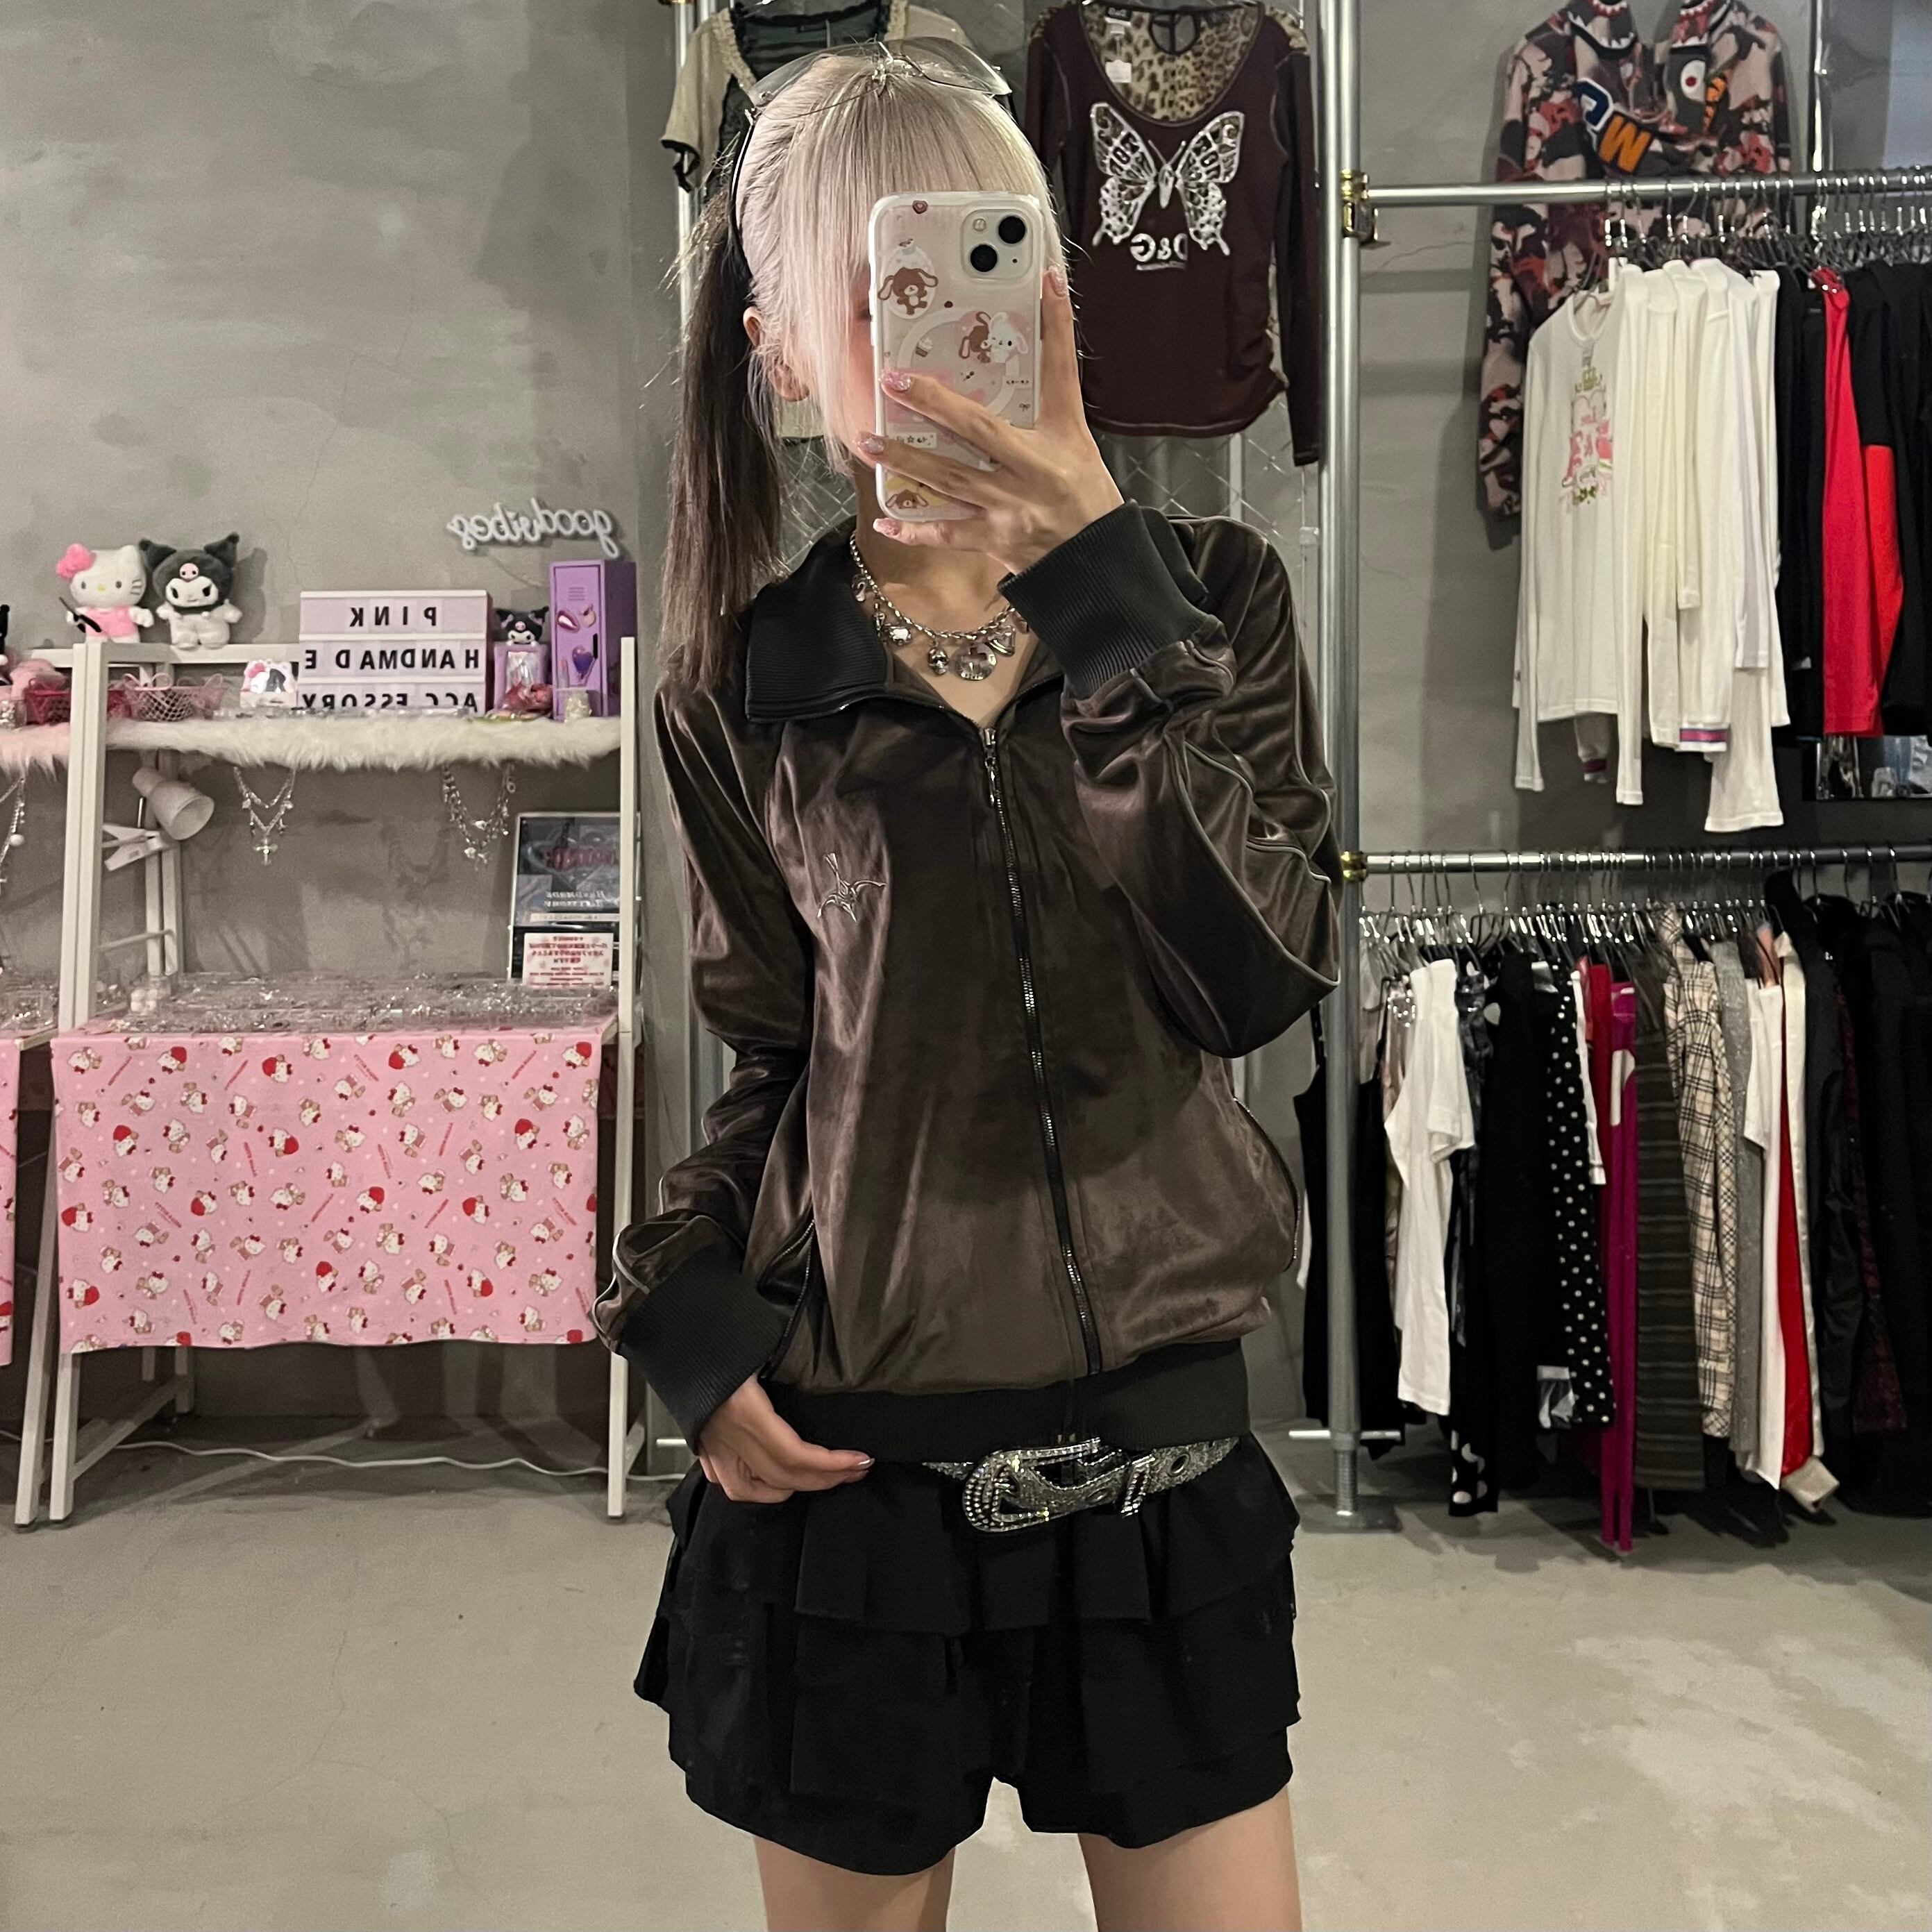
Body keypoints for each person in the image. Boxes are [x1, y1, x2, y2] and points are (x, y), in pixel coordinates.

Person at [598, 40, 1339, 1932]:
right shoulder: (739, 683)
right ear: (781, 352)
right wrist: (683, 1315)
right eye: (883, 286)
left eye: (996, 258)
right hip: (854, 1473)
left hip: (1160, 1460)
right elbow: (776, 1056)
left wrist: (1099, 591)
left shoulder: (1212, 597)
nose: (950, 325)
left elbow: (1258, 978)